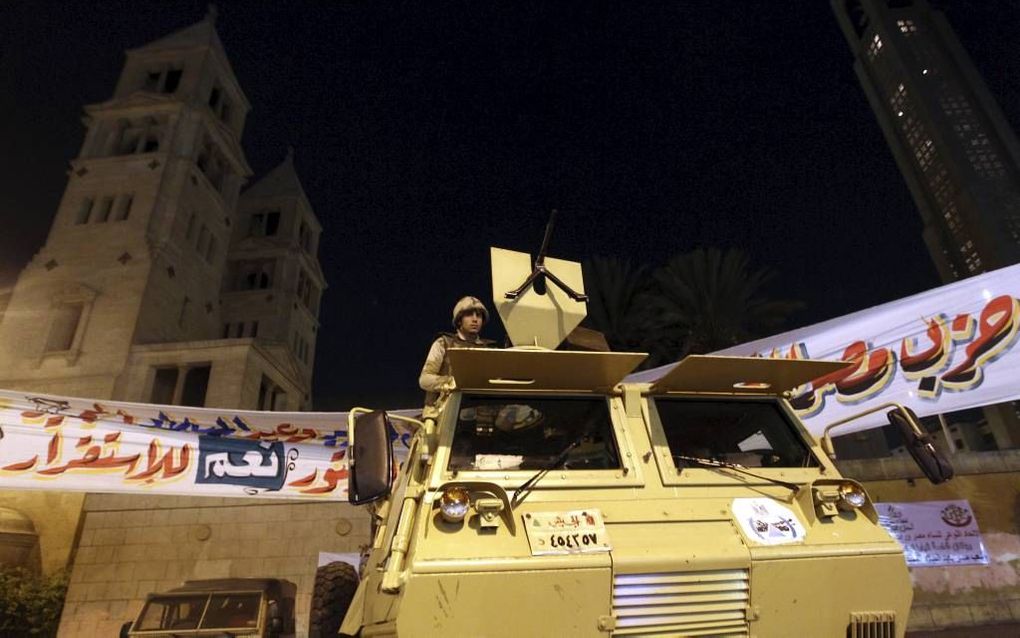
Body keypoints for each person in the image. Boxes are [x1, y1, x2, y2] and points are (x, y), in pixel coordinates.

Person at [419, 296, 496, 408]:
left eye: (479, 315)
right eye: (469, 315)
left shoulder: (489, 349)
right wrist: (451, 382)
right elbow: (425, 379)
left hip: (478, 408)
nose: (475, 319)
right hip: (442, 409)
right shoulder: (443, 343)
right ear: (459, 320)